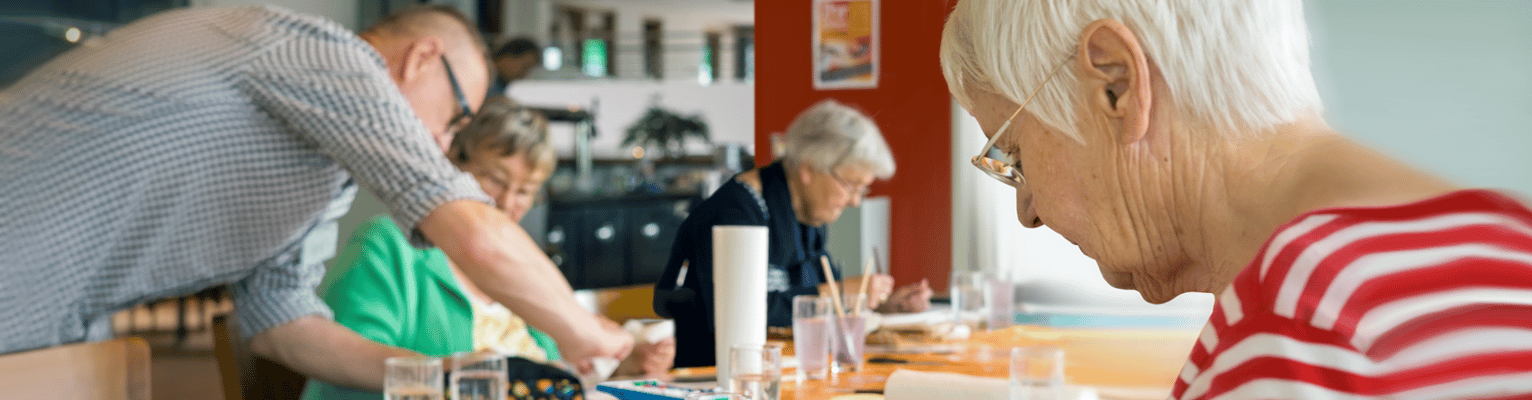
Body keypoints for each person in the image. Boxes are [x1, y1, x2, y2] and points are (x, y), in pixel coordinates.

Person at [0, 5, 630, 392]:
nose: (443, 143)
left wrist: (441, 374)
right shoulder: (328, 55)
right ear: (421, 58)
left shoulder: (320, 174)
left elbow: (282, 325)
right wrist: (585, 333)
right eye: (456, 119)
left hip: (51, 326)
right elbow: (469, 228)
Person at [940, 0, 1532, 398]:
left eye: (1015, 155)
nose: (1026, 211)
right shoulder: (1505, 235)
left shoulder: (1300, 339)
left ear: (1116, 84)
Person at [305, 97, 674, 399]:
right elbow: (345, 373)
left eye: (525, 191)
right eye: (494, 179)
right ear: (451, 164)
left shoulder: (522, 266)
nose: (507, 203)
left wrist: (623, 370)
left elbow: (553, 375)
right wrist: (453, 371)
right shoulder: (388, 245)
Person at [653, 99, 933, 368]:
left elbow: (818, 295)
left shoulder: (808, 214)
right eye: (850, 185)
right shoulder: (734, 214)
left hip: (782, 366)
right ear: (808, 169)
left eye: (863, 189)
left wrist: (875, 304)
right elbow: (741, 312)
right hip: (711, 375)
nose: (855, 201)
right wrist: (836, 294)